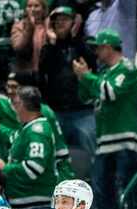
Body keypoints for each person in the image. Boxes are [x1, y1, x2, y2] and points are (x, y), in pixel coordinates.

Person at [74, 28, 137, 209]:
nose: (96, 52)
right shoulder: (104, 73)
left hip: (127, 141)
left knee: (129, 192)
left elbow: (109, 93)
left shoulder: (127, 68)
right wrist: (84, 79)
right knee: (102, 193)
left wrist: (87, 76)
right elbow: (86, 98)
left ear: (108, 47)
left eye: (98, 47)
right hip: (105, 143)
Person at [38, 5, 97, 157]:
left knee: (93, 149)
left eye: (65, 19)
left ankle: (96, 181)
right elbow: (42, 77)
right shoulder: (48, 50)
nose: (60, 23)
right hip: (56, 112)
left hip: (83, 111)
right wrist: (52, 42)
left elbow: (94, 67)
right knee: (50, 151)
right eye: (56, 21)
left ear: (73, 22)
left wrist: (75, 38)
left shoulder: (85, 45)